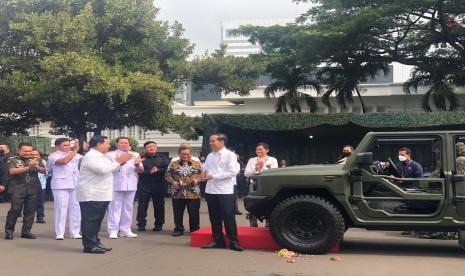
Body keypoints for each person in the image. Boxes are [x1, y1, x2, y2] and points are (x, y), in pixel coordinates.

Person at [76, 135, 132, 254]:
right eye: (106, 143)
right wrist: (118, 161)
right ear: (99, 145)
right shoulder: (91, 156)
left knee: (97, 220)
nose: (109, 145)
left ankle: (95, 242)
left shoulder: (102, 156)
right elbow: (102, 170)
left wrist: (120, 163)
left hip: (101, 193)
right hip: (92, 193)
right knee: (91, 220)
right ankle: (89, 245)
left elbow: (112, 169)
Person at [201, 133, 243, 251]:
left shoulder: (230, 155)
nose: (210, 143)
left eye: (212, 141)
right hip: (210, 189)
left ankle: (233, 241)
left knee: (228, 216)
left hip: (225, 190)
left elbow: (233, 172)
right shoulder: (210, 156)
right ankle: (217, 241)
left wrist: (213, 176)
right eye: (210, 141)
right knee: (214, 217)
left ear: (222, 142)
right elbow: (205, 169)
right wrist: (204, 173)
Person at [4, 142, 46, 240]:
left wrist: (37, 167)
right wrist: (28, 167)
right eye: (25, 151)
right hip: (18, 188)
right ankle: (9, 232)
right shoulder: (12, 159)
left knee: (30, 211)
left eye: (30, 151)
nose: (28, 153)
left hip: (33, 187)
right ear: (19, 150)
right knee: (15, 209)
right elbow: (12, 171)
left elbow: (44, 171)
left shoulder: (36, 159)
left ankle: (26, 231)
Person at [106, 137, 144, 239]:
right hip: (116, 184)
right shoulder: (110, 155)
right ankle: (113, 230)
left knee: (128, 208)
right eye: (122, 143)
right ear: (117, 144)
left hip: (131, 183)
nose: (124, 144)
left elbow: (140, 170)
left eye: (126, 143)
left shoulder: (135, 154)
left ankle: (125, 230)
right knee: (114, 208)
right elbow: (108, 169)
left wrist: (137, 165)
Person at [48, 138, 83, 240]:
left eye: (68, 145)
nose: (68, 147)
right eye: (65, 145)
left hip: (75, 183)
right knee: (61, 208)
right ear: (57, 146)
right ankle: (60, 232)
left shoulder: (74, 154)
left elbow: (85, 160)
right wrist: (76, 150)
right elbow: (64, 161)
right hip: (60, 185)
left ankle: (75, 231)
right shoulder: (53, 156)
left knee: (76, 208)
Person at [165, 146, 202, 237]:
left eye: (187, 154)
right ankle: (178, 229)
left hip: (193, 192)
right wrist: (172, 181)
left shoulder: (197, 163)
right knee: (178, 212)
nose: (185, 156)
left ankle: (195, 229)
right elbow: (167, 175)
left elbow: (202, 174)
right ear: (179, 154)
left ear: (190, 154)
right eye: (183, 154)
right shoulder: (173, 164)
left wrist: (198, 179)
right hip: (177, 192)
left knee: (194, 212)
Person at [136, 141, 170, 232]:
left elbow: (168, 168)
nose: (151, 148)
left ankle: (159, 224)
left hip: (159, 185)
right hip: (144, 185)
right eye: (149, 147)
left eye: (153, 146)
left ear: (156, 147)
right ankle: (141, 224)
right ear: (145, 149)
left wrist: (158, 170)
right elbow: (137, 171)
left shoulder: (163, 157)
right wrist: (149, 172)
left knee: (159, 206)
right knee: (142, 205)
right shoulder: (141, 158)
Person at [244, 142, 278, 226]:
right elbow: (246, 174)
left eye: (260, 149)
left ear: (267, 150)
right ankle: (253, 225)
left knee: (268, 204)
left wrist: (262, 167)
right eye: (257, 149)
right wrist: (255, 168)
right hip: (254, 186)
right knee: (252, 205)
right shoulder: (251, 160)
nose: (258, 151)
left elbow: (274, 173)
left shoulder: (273, 160)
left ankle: (269, 224)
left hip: (267, 186)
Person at [31, 150, 47, 224]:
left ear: (39, 155)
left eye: (36, 154)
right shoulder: (27, 162)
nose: (34, 156)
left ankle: (40, 216)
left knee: (40, 202)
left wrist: (37, 166)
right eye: (32, 154)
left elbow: (46, 171)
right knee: (28, 202)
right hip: (29, 185)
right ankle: (27, 216)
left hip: (41, 184)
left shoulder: (43, 162)